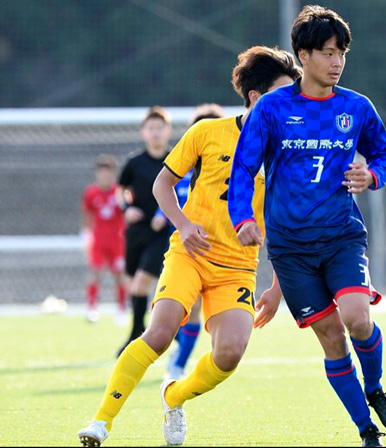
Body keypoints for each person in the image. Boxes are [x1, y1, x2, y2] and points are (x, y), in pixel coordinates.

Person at [77, 46, 301, 447]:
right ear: (256, 97)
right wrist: (183, 223)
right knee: (159, 333)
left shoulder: (290, 154)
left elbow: (289, 228)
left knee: (230, 353)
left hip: (238, 267)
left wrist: (278, 288)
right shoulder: (207, 132)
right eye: (284, 93)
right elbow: (162, 184)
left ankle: (173, 397)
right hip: (190, 253)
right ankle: (101, 422)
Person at [228, 6, 386, 447]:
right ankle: (366, 430)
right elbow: (242, 169)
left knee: (357, 319)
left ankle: (375, 387)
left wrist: (372, 176)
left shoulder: (356, 107)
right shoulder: (271, 109)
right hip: (290, 250)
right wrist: (243, 218)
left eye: (342, 52)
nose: (337, 62)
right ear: (303, 56)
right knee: (331, 338)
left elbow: (384, 155)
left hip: (342, 236)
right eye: (327, 52)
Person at [160, 103, 227, 380]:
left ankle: (179, 365)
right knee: (179, 308)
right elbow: (165, 190)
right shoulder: (184, 168)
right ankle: (177, 352)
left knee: (200, 308)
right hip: (184, 244)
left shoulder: (232, 165)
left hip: (221, 247)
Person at [115, 106, 173, 356]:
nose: (155, 133)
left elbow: (183, 190)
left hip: (162, 234)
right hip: (137, 232)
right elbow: (120, 190)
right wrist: (127, 208)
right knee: (134, 286)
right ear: (143, 132)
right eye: (151, 128)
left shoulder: (175, 159)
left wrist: (168, 214)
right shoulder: (134, 162)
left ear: (167, 130)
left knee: (140, 285)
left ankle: (136, 336)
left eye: (160, 128)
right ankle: (150, 331)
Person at [81, 154, 127, 324]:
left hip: (118, 242)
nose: (105, 176)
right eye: (102, 172)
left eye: (108, 172)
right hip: (99, 241)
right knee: (95, 273)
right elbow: (87, 217)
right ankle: (92, 308)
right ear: (97, 174)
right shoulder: (91, 193)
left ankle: (122, 309)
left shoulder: (120, 193)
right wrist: (86, 237)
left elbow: (126, 215)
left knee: (119, 275)